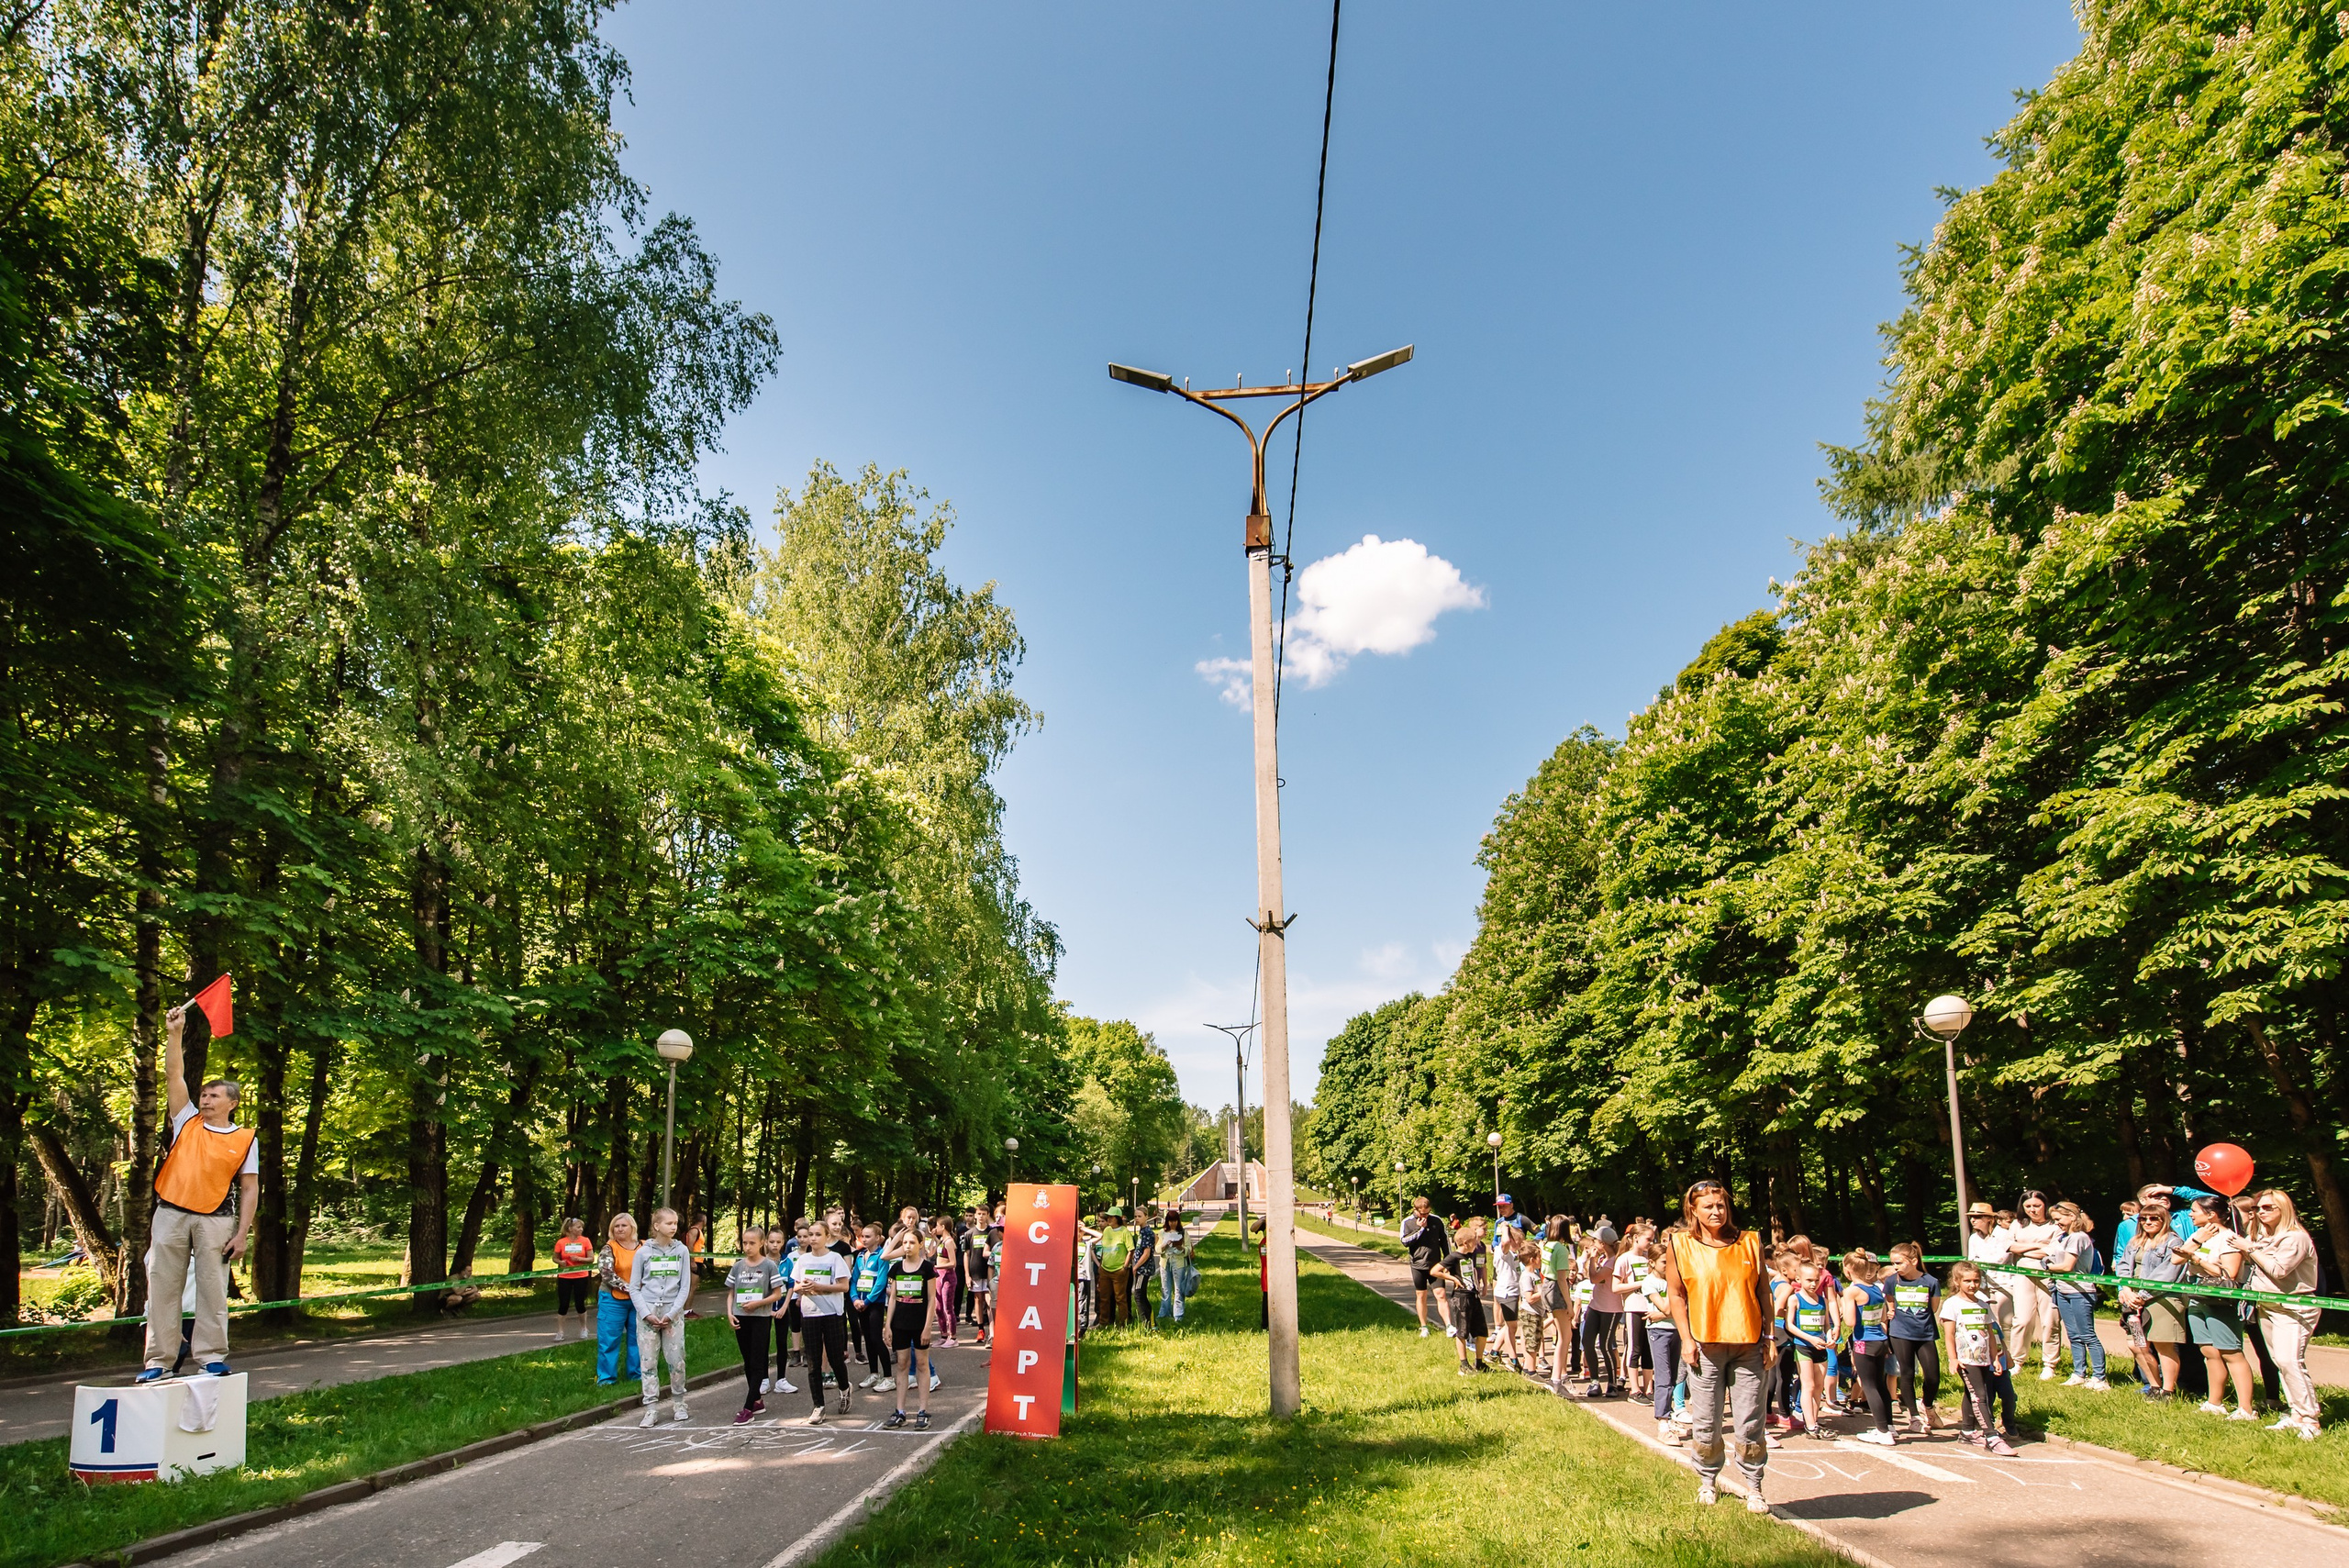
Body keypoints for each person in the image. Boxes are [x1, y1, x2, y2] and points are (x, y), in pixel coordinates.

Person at [139, 1004, 260, 1382]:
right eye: (204, 1095)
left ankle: (211, 1357)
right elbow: (174, 1074)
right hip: (170, 1213)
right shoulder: (186, 1121)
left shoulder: (245, 1138)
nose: (205, 1100)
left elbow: (250, 1187)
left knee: (212, 1290)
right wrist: (175, 1032)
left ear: (232, 1103)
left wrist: (242, 1233)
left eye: (214, 1096)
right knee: (162, 1287)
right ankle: (159, 1361)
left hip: (217, 1219)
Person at [1661, 1180, 1774, 1513]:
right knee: (1707, 1421)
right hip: (1704, 1345)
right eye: (1708, 1206)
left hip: (1748, 1344)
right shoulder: (1680, 1244)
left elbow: (1764, 1292)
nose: (1716, 1212)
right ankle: (1707, 1481)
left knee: (1750, 1420)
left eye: (1720, 1205)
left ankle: (1754, 1486)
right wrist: (1686, 1338)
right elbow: (1676, 1294)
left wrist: (1770, 1337)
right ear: (1693, 1210)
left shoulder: (1750, 1241)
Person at [2242, 1188, 2322, 1440]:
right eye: (2258, 1208)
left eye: (2268, 1207)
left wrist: (2249, 1249)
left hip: (2294, 1307)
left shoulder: (2295, 1237)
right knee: (2279, 1362)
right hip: (2268, 1306)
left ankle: (2310, 1419)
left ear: (2284, 1209)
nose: (2261, 1212)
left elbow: (2279, 1270)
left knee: (2290, 1361)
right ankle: (2296, 1414)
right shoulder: (2265, 1237)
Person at [2175, 1195, 2257, 1420]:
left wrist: (2197, 1259)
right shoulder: (2199, 1235)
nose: (2190, 1214)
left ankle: (2246, 1409)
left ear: (2211, 1214)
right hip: (2197, 1297)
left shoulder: (2228, 1238)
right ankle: (2215, 1402)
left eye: (2194, 1210)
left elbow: (2229, 1274)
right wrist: (2196, 1242)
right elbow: (2176, 1259)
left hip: (2220, 1301)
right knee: (2209, 1352)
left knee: (2231, 1352)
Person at [1940, 1262, 2019, 1456]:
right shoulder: (1952, 1304)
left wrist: (1995, 1358)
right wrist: (1953, 1359)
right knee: (1980, 1396)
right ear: (1957, 1281)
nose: (1972, 1285)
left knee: (1972, 1393)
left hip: (1984, 1359)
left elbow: (1990, 1334)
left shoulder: (1983, 1305)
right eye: (1967, 1281)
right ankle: (1992, 1437)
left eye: (1976, 1281)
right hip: (1966, 1359)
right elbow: (1949, 1335)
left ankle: (1967, 1431)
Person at [2117, 1193, 2188, 1399]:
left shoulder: (2174, 1242)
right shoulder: (2135, 1242)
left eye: (2153, 1218)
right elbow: (2123, 1266)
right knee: (2137, 1344)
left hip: (2162, 1299)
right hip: (2133, 1299)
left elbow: (2168, 1273)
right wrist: (2126, 1290)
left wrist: (2143, 1295)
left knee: (2163, 1345)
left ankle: (2168, 1390)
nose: (2147, 1222)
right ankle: (2154, 1386)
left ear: (2164, 1220)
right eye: (2143, 1218)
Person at [629, 1207, 694, 1427]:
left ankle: (679, 1403)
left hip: (672, 1313)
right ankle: (651, 1408)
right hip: (648, 1313)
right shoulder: (643, 1252)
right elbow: (634, 1287)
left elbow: (684, 1286)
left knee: (676, 1360)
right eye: (669, 1223)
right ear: (656, 1226)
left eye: (675, 1223)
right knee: (648, 1362)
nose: (674, 1227)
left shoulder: (681, 1250)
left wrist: (672, 1312)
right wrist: (646, 1314)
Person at [790, 1218, 853, 1424]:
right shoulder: (803, 1260)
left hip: (832, 1313)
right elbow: (795, 1286)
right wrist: (802, 1288)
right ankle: (818, 1406)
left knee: (835, 1358)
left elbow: (844, 1286)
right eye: (811, 1235)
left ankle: (844, 1388)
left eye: (818, 1235)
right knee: (813, 1362)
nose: (813, 1238)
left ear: (827, 1237)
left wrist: (820, 1287)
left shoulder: (835, 1258)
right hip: (810, 1314)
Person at [2043, 1202, 2109, 1389]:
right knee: (2073, 1335)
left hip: (2080, 1292)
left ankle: (2099, 1377)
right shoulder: (2065, 1238)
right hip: (2063, 1290)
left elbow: (2066, 1266)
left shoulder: (2078, 1237)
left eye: (2059, 1219)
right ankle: (2079, 1373)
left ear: (2072, 1216)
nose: (2057, 1223)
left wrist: (2048, 1266)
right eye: (2054, 1220)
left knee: (2087, 1335)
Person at [882, 1218, 938, 1429]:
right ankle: (900, 1411)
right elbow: (893, 1299)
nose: (907, 1246)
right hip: (900, 1323)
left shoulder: (927, 1268)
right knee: (902, 1364)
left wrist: (928, 1327)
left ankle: (923, 1411)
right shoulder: (897, 1268)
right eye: (904, 1242)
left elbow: (932, 1299)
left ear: (920, 1244)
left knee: (922, 1364)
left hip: (919, 1323)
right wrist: (887, 1325)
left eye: (912, 1242)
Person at [725, 1226, 783, 1424]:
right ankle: (757, 1400)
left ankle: (748, 1408)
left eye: (752, 1243)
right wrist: (730, 1313)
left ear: (761, 1243)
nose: (748, 1247)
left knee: (757, 1361)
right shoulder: (738, 1266)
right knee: (747, 1361)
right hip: (741, 1317)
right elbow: (731, 1292)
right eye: (745, 1243)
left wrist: (758, 1303)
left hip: (760, 1317)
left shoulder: (769, 1266)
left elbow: (777, 1294)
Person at [1883, 1241, 1943, 1433]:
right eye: (1893, 1263)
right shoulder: (1892, 1281)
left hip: (1925, 1333)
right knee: (1907, 1373)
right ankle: (1914, 1417)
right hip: (1900, 1333)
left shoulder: (1930, 1282)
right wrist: (1891, 1312)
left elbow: (1933, 1308)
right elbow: (1890, 1303)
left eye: (1899, 1263)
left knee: (1932, 1376)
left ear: (1914, 1261)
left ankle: (1927, 1405)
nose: (1895, 1267)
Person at [1840, 1251, 1898, 1446]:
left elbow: (1850, 1321)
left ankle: (1882, 1432)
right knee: (1880, 1384)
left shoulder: (1852, 1291)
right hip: (1880, 1340)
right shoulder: (1875, 1288)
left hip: (1864, 1341)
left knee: (1869, 1386)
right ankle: (1889, 1426)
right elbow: (1883, 1317)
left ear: (1848, 1270)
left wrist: (1845, 1305)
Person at [1431, 1217, 1492, 1375]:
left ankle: (1479, 1362)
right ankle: (1463, 1364)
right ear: (1465, 1243)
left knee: (1482, 1331)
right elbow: (1434, 1271)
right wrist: (1453, 1278)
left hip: (1474, 1296)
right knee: (1462, 1332)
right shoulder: (1454, 1257)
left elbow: (1481, 1266)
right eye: (1474, 1242)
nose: (1476, 1245)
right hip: (1461, 1297)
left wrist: (1483, 1284)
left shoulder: (1471, 1255)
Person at [1637, 1235, 1682, 1441]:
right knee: (1663, 1377)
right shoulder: (1650, 1282)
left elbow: (1685, 1306)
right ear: (1652, 1263)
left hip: (1676, 1330)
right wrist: (1669, 1311)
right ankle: (1663, 1421)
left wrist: (1664, 1314)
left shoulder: (1674, 1279)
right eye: (1665, 1262)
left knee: (1673, 1377)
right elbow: (1666, 1306)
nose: (1669, 1266)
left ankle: (1670, 1415)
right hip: (1658, 1332)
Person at [1785, 1262, 1835, 1439]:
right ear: (1799, 1279)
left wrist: (1830, 1337)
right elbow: (1790, 1325)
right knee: (1809, 1385)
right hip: (1803, 1347)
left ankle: (1814, 1420)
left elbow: (1826, 1325)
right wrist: (1810, 1339)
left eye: (1816, 1280)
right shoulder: (1795, 1299)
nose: (1813, 1284)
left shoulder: (1823, 1301)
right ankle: (1810, 1425)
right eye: (1809, 1280)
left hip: (1820, 1347)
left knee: (1819, 1386)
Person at [595, 1213, 641, 1385]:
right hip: (612, 1300)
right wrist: (632, 1289)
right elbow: (607, 1274)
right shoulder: (608, 1248)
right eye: (616, 1226)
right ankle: (606, 1379)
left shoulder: (644, 1246)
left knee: (638, 1339)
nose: (620, 1229)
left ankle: (637, 1375)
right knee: (609, 1340)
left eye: (624, 1225)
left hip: (638, 1301)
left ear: (632, 1227)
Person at [1581, 1225, 1625, 1398]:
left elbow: (1594, 1278)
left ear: (1602, 1244)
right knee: (1587, 1341)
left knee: (1605, 1345)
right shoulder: (1603, 1259)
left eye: (1595, 1241)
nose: (1592, 1243)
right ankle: (1594, 1381)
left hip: (1611, 1309)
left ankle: (1612, 1383)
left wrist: (1592, 1259)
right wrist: (1594, 1260)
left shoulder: (1613, 1262)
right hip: (1596, 1306)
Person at [852, 1222, 895, 1390]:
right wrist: (855, 1299)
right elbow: (854, 1279)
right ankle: (874, 1373)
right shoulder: (860, 1256)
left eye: (868, 1237)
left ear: (877, 1238)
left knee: (876, 1338)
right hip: (860, 1304)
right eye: (863, 1236)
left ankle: (888, 1377)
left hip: (874, 1304)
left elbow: (881, 1282)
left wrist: (867, 1301)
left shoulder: (882, 1255)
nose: (864, 1239)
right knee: (868, 1339)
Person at [1402, 1197, 1453, 1339]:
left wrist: (1448, 1261)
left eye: (1427, 1213)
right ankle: (1424, 1327)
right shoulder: (1407, 1222)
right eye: (1422, 1214)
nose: (1425, 1216)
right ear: (1415, 1210)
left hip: (1435, 1264)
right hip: (1418, 1264)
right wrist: (1420, 1229)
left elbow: (1445, 1242)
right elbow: (1404, 1241)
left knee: (1441, 1294)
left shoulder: (1437, 1220)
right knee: (1421, 1295)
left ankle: (1449, 1326)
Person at [552, 1218, 596, 1342]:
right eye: (578, 1227)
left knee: (579, 1303)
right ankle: (560, 1331)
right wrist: (560, 1262)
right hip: (565, 1276)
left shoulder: (585, 1241)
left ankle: (584, 1328)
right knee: (563, 1304)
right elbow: (555, 1258)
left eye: (581, 1227)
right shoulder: (561, 1242)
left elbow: (591, 1259)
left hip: (581, 1276)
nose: (581, 1229)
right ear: (570, 1229)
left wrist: (579, 1259)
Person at [1094, 1209, 1136, 1328]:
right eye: (1108, 1217)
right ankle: (1103, 1323)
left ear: (1118, 1218)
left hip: (1119, 1270)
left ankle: (1123, 1324)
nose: (1109, 1219)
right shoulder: (1107, 1230)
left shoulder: (1124, 1232)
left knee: (1120, 1298)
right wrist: (1101, 1265)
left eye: (1111, 1217)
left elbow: (1131, 1250)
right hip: (1105, 1269)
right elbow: (1104, 1248)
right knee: (1104, 1298)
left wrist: (1125, 1267)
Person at [963, 1212, 996, 1346]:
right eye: (979, 1214)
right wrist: (967, 1274)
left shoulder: (992, 1232)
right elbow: (966, 1254)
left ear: (988, 1215)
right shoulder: (969, 1233)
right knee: (978, 1299)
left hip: (989, 1271)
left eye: (984, 1214)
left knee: (989, 1301)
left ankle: (992, 1332)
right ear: (975, 1216)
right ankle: (980, 1329)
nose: (981, 1216)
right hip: (975, 1270)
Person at [1157, 1216, 1192, 1325]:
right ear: (1167, 1222)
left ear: (1178, 1221)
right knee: (1165, 1289)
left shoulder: (1183, 1232)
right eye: (1170, 1221)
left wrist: (1182, 1248)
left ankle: (1178, 1315)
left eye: (1175, 1221)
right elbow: (1157, 1249)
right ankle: (1164, 1313)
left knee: (1179, 1289)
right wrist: (1164, 1245)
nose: (1173, 1223)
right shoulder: (1162, 1232)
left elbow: (1189, 1249)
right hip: (1165, 1263)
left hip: (1178, 1263)